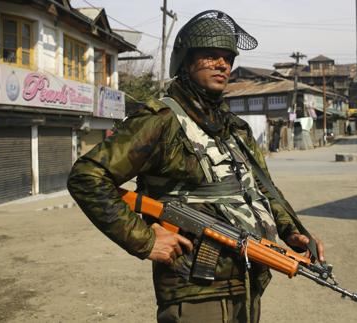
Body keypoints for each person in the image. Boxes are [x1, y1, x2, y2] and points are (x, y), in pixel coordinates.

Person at [67, 10, 324, 323]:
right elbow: (87, 177)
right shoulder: (160, 122)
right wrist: (145, 240)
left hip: (247, 284)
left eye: (228, 58)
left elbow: (260, 190)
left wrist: (292, 230)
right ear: (186, 62)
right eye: (211, 56)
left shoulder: (235, 128)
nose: (222, 65)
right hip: (193, 294)